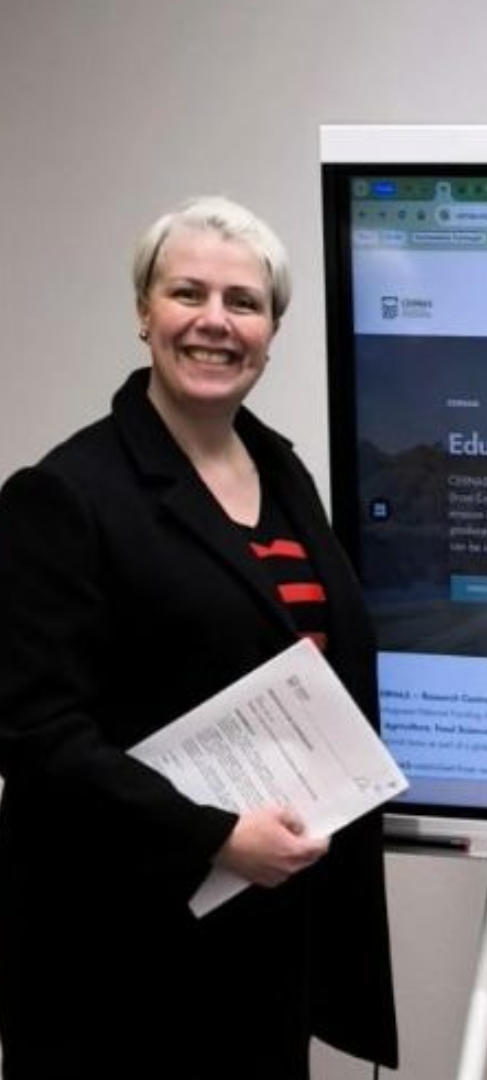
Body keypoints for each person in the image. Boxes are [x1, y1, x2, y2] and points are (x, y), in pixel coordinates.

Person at [0, 197, 398, 1078]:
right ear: (144, 313)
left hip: (265, 934)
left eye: (243, 302)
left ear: (271, 332)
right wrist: (212, 835)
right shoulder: (63, 496)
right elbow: (35, 736)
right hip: (119, 959)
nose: (215, 321)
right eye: (188, 293)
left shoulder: (283, 472)